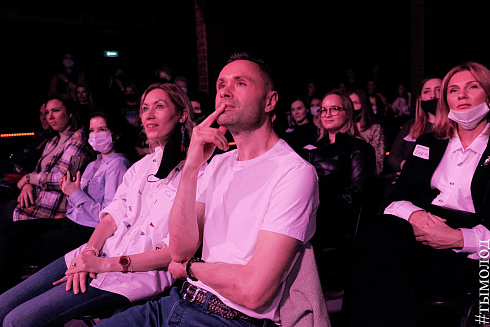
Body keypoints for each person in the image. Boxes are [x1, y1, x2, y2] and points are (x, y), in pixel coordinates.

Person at [96, 52, 320, 326]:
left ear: (270, 101)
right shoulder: (217, 165)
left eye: (240, 83)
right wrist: (191, 166)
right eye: (220, 85)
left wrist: (191, 268)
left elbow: (253, 292)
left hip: (230, 318)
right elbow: (179, 250)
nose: (225, 91)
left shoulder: (293, 172)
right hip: (176, 301)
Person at [0, 83, 199, 326]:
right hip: (95, 253)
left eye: (159, 106)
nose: (148, 115)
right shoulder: (141, 166)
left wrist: (102, 264)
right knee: (3, 305)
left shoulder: (198, 173)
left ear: (182, 114)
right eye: (145, 108)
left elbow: (175, 252)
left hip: (133, 276)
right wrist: (89, 252)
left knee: (17, 321)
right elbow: (112, 216)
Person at [344, 62, 490, 326]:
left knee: (384, 260)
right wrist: (415, 215)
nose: (462, 95)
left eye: (473, 86)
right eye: (453, 90)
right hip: (420, 229)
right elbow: (395, 197)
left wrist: (459, 239)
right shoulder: (429, 143)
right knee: (376, 236)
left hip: (473, 250)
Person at [0, 112, 131, 292]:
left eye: (102, 129)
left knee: (17, 246)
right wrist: (70, 191)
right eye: (92, 130)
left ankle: (9, 295)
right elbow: (75, 197)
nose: (95, 135)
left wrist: (75, 193)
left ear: (115, 134)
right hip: (69, 221)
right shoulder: (94, 163)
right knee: (10, 230)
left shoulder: (118, 165)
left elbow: (108, 215)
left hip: (87, 230)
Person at [302, 90, 376, 291]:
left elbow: (358, 192)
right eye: (323, 110)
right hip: (311, 214)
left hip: (338, 221)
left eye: (334, 108)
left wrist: (318, 202)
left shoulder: (358, 148)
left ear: (347, 113)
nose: (327, 114)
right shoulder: (313, 148)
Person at [387, 77, 442, 175]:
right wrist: (407, 166)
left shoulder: (455, 127)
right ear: (420, 98)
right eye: (427, 92)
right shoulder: (410, 125)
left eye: (438, 90)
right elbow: (393, 157)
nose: (433, 96)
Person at [0, 102, 55, 200]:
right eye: (41, 114)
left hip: (21, 182)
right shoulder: (39, 137)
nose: (43, 118)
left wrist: (27, 181)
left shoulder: (54, 141)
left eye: (46, 113)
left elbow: (30, 164)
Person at [348, 88, 386, 175]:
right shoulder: (344, 128)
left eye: (356, 103)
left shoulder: (375, 129)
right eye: (349, 103)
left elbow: (378, 164)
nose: (352, 106)